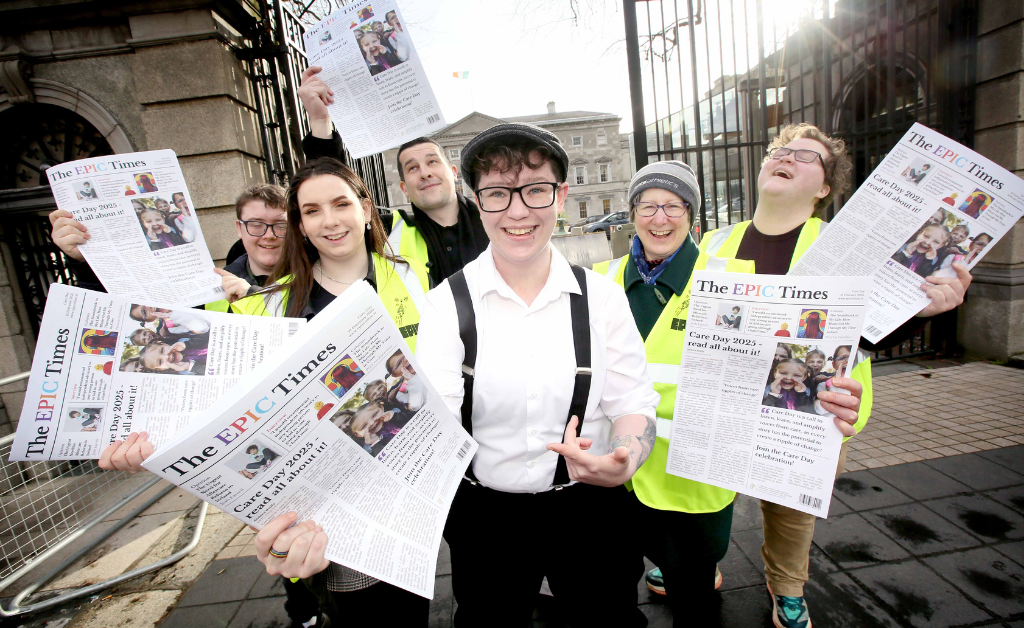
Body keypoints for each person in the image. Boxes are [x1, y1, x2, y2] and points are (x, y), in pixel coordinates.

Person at [99, 157, 431, 627]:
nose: (330, 220)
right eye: (312, 211)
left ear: (365, 207)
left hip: (415, 482)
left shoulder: (416, 276)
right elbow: (201, 384)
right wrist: (148, 440)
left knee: (415, 609)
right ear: (299, 224)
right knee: (367, 614)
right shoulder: (265, 306)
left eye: (341, 204)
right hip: (330, 501)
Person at [697, 122, 972, 628]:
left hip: (813, 408)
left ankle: (788, 588)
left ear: (825, 187)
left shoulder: (854, 251)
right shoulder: (712, 243)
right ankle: (695, 565)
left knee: (791, 509)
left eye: (806, 156)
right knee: (707, 492)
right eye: (779, 149)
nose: (786, 156)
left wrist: (930, 310)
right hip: (725, 399)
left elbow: (871, 334)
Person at [593, 161, 864, 625]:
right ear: (632, 214)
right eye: (647, 205)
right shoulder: (600, 279)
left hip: (692, 477)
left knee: (694, 599)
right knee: (612, 594)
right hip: (612, 474)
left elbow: (794, 349)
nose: (660, 217)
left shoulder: (738, 282)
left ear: (692, 218)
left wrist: (831, 401)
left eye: (673, 206)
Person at [414, 123, 658, 627]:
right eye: (498, 193)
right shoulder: (444, 306)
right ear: (475, 202)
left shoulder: (603, 299)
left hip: (587, 508)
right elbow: (432, 421)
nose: (518, 211)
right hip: (486, 518)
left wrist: (627, 457)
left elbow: (633, 402)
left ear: (561, 196)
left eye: (535, 190)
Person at [296, 66, 490, 286]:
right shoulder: (389, 233)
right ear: (404, 188)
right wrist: (320, 121)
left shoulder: (497, 219)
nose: (425, 172)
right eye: (412, 168)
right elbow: (332, 188)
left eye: (432, 162)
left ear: (454, 173)